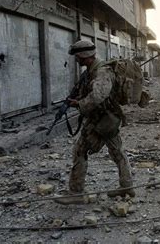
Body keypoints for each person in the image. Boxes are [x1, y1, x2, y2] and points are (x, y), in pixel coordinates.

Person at [55, 40, 135, 204]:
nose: (77, 60)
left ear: (84, 56)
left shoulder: (102, 72)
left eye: (78, 56)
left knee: (80, 150)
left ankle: (76, 192)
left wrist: (80, 104)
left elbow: (99, 95)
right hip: (106, 118)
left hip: (103, 119)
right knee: (117, 152)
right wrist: (77, 99)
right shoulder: (91, 71)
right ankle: (126, 186)